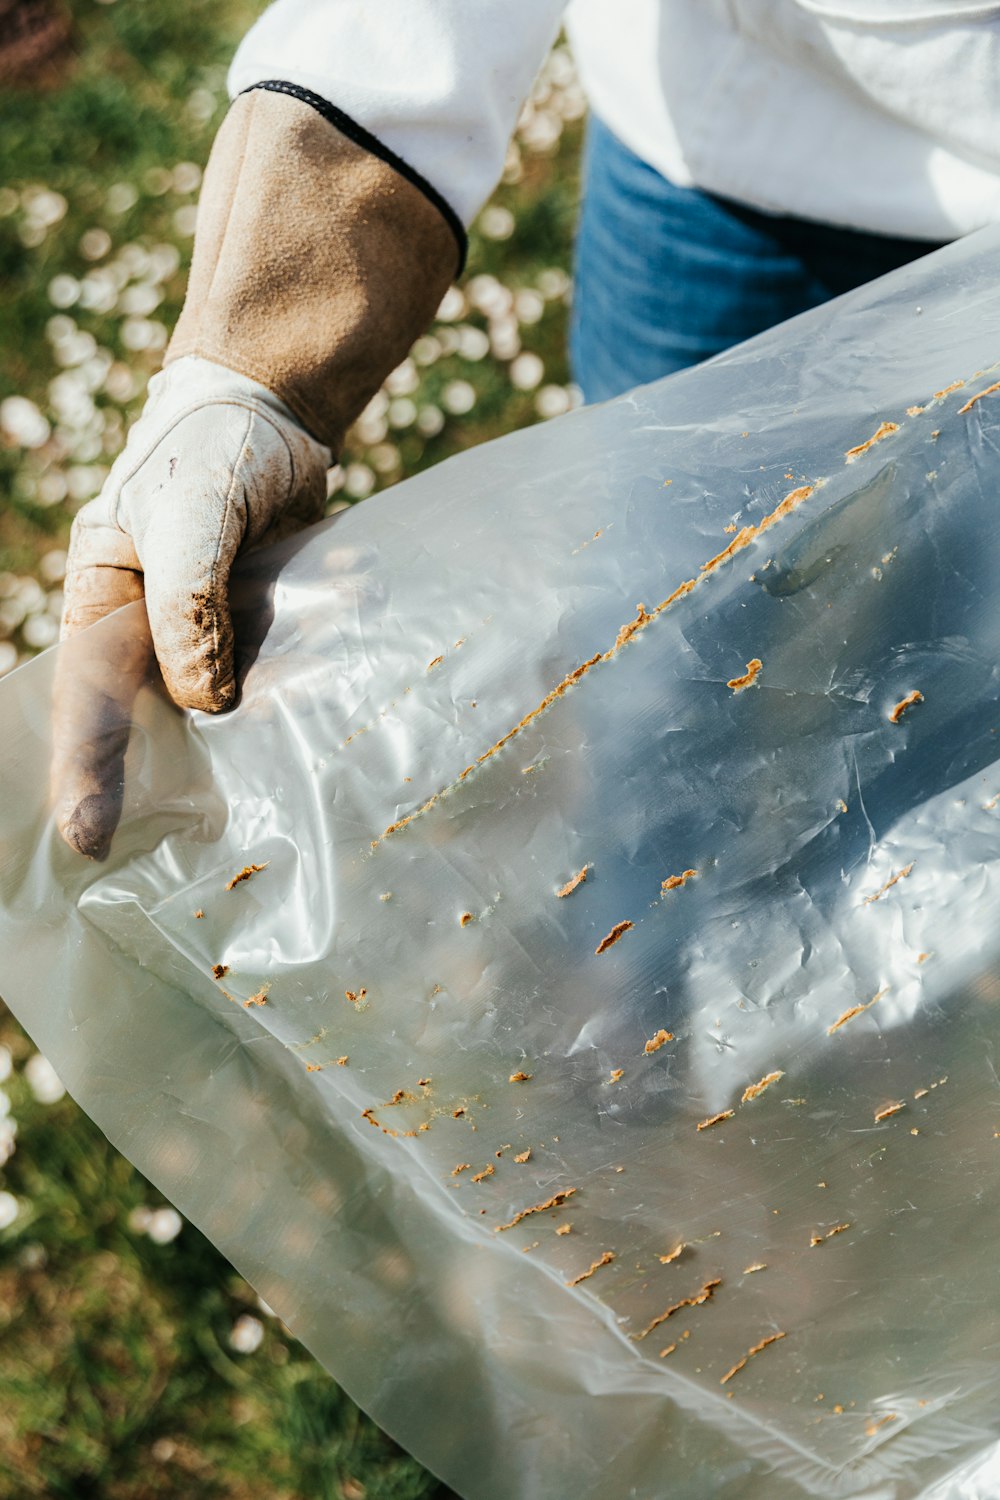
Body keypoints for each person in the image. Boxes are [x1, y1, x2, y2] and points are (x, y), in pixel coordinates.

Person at [55, 0, 1000, 857]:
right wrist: (250, 365)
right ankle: (651, 963)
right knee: (661, 641)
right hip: (730, 138)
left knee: (970, 642)